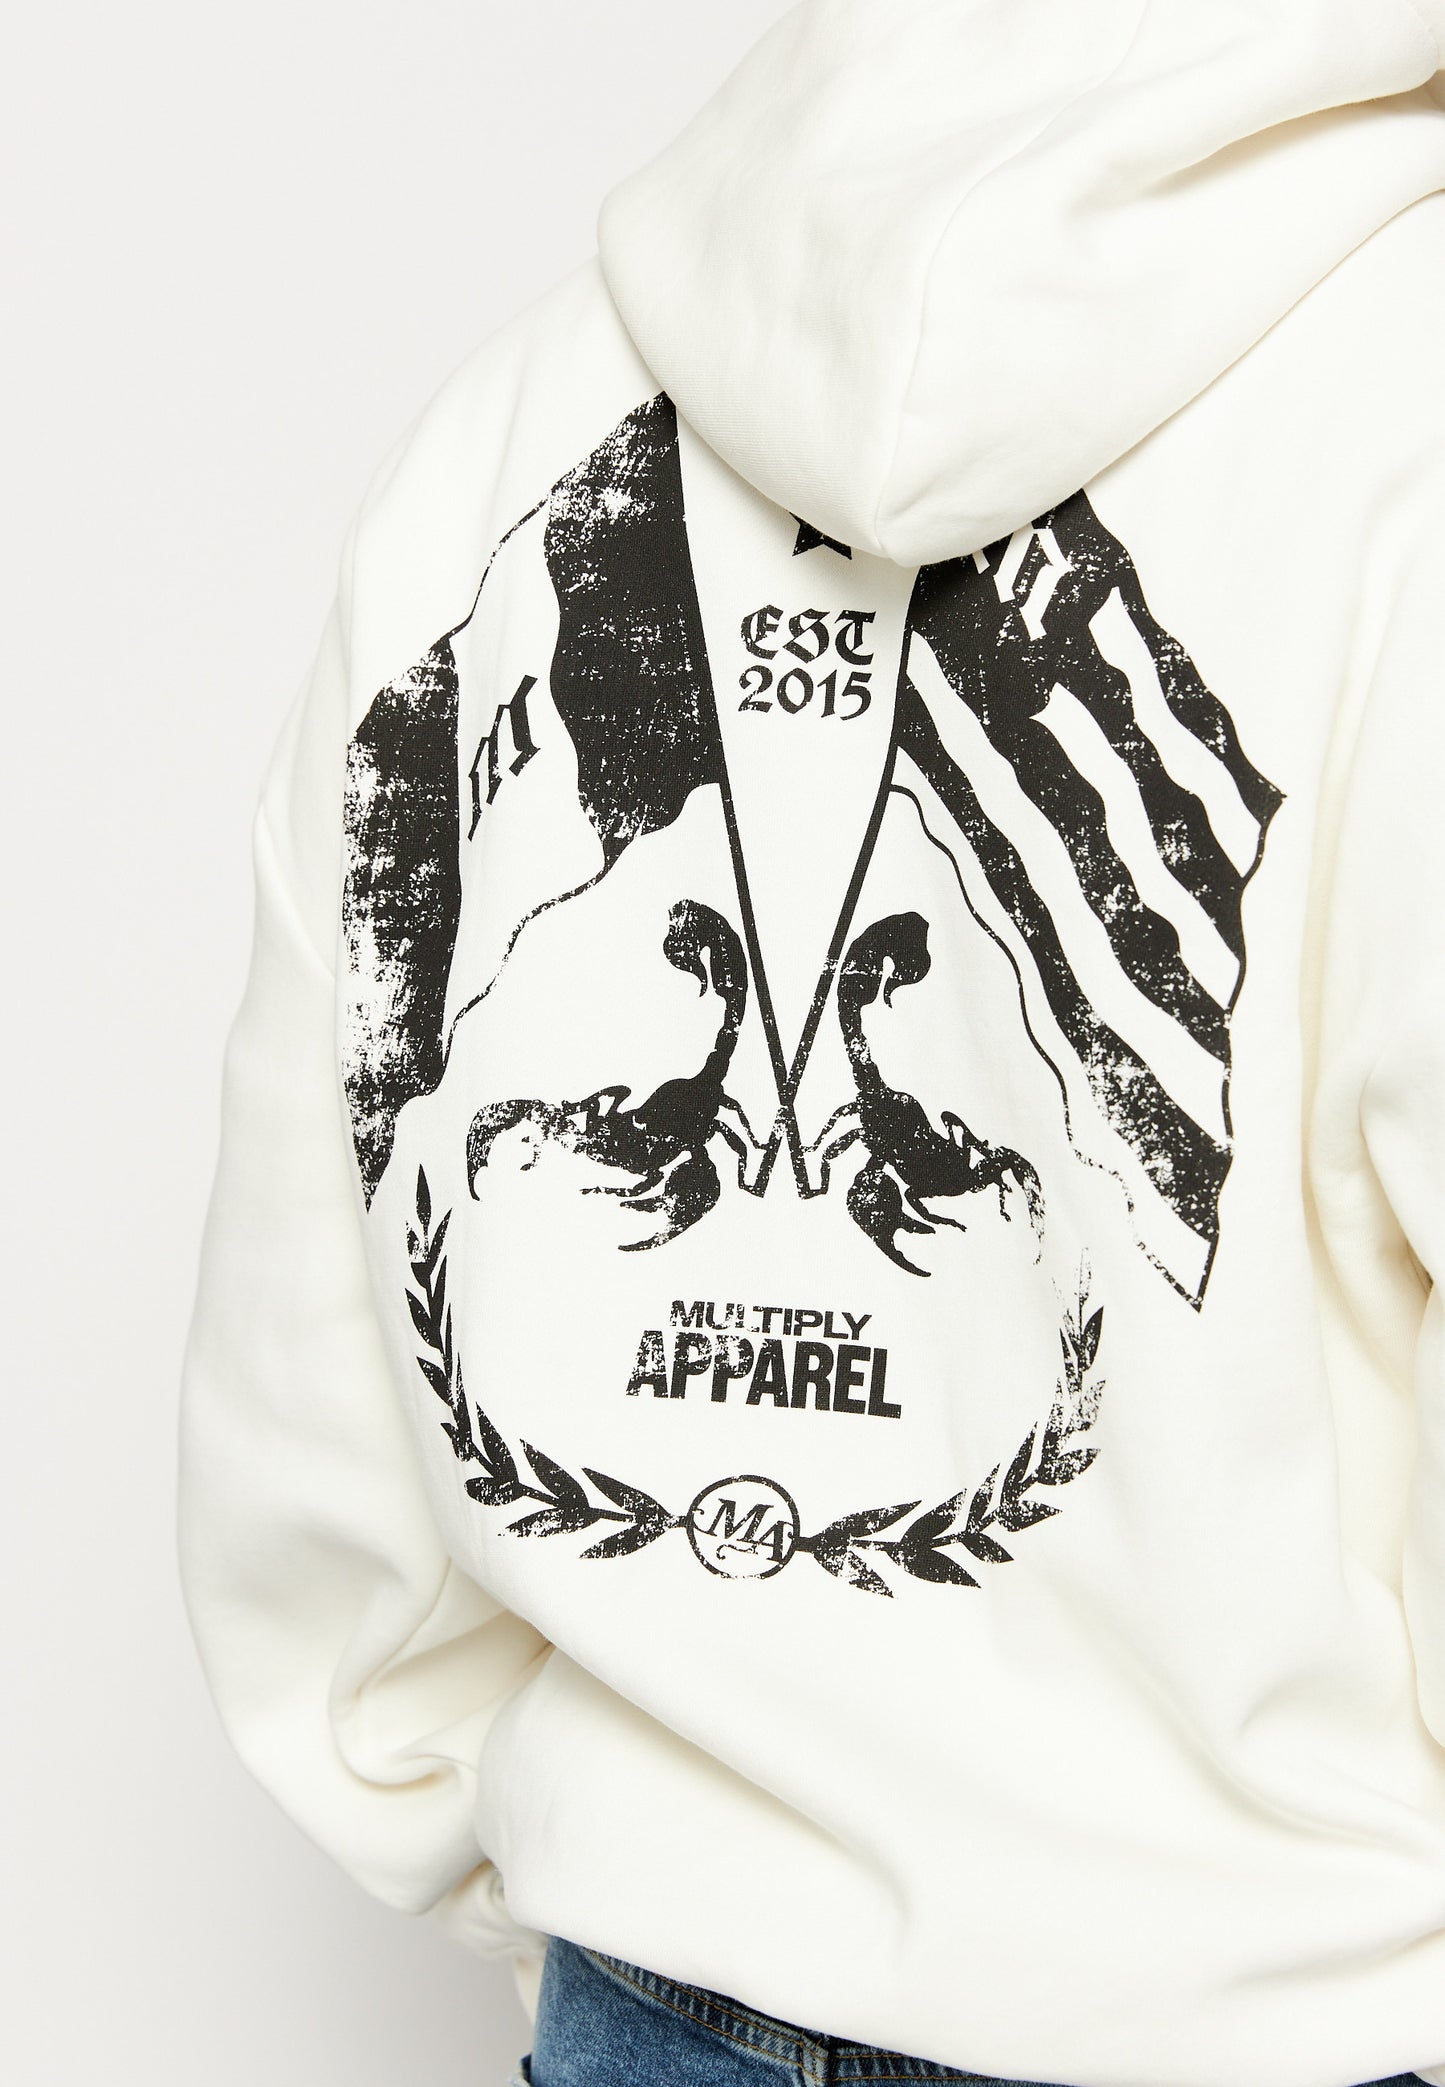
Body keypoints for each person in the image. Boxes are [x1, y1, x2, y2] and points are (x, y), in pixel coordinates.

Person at [177, 2, 1445, 2082]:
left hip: (649, 2007)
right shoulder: (1409, 421)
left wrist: (604, 1863)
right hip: (1281, 2015)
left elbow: (316, 1355)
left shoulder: (521, 414)